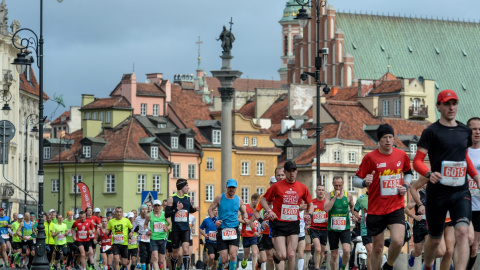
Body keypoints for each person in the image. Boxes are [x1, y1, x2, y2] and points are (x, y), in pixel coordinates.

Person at [413, 89, 480, 270]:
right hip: (438, 193)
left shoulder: (465, 131)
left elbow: (464, 157)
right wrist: (428, 174)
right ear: (439, 106)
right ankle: (427, 265)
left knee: (463, 232)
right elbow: (417, 161)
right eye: (447, 104)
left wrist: (476, 177)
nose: (451, 107)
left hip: (460, 191)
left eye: (454, 103)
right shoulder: (431, 132)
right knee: (435, 240)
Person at [354, 123, 412, 270]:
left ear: (394, 139)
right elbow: (355, 180)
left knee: (398, 241)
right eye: (385, 137)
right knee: (378, 248)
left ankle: (389, 265)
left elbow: (409, 173)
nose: (388, 140)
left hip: (396, 205)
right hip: (375, 209)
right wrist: (363, 182)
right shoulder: (370, 158)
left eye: (391, 137)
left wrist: (405, 186)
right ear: (379, 140)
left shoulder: (401, 155)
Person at [261, 161, 312, 270]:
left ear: (297, 172)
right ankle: (276, 255)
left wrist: (309, 215)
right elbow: (263, 200)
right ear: (285, 172)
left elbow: (310, 204)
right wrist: (269, 211)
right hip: (278, 223)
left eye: (293, 171)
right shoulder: (277, 186)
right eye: (289, 171)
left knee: (291, 254)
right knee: (282, 256)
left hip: (294, 223)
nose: (291, 173)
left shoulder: (302, 187)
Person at [208, 179, 248, 270]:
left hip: (234, 229)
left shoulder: (239, 200)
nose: (231, 189)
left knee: (233, 255)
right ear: (226, 187)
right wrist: (215, 220)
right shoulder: (219, 198)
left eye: (233, 187)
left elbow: (244, 212)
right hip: (222, 229)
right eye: (230, 187)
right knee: (224, 259)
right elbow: (210, 209)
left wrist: (245, 218)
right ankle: (219, 264)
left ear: (236, 188)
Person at [253, 168, 284, 270]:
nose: (275, 185)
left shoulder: (284, 194)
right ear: (270, 184)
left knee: (280, 256)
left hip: (280, 229)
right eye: (273, 183)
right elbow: (256, 212)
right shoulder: (264, 196)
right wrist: (262, 221)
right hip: (266, 231)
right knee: (270, 257)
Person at [165, 179, 198, 270]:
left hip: (186, 228)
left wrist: (194, 209)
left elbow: (189, 209)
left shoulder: (188, 198)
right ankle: (173, 268)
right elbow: (166, 214)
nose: (188, 187)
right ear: (181, 187)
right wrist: (176, 209)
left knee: (186, 250)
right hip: (175, 229)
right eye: (186, 186)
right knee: (175, 253)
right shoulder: (172, 199)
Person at [324, 176, 354, 270]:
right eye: (336, 185)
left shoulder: (348, 195)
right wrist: (334, 198)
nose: (338, 187)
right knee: (334, 254)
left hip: (345, 228)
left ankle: (343, 268)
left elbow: (352, 207)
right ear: (333, 184)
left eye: (340, 185)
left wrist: (355, 215)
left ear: (343, 184)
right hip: (332, 228)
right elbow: (326, 208)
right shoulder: (329, 195)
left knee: (346, 250)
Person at [467, 117, 480, 270]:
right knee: (466, 239)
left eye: (479, 129)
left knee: (474, 245)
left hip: (479, 205)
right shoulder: (462, 150)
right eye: (474, 129)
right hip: (462, 202)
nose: (477, 132)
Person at [407, 182, 427, 268]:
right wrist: (414, 217)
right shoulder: (418, 195)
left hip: (430, 225)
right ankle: (413, 254)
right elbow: (406, 209)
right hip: (419, 225)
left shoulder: (435, 195)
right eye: (425, 182)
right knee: (418, 252)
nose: (427, 184)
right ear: (421, 184)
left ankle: (427, 267)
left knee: (429, 248)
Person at [145, 200, 169, 270]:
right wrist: (147, 231)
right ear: (153, 206)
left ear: (161, 206)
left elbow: (170, 224)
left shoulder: (164, 214)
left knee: (161, 260)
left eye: (158, 205)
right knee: (155, 257)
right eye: (155, 205)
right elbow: (145, 224)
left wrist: (167, 228)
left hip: (163, 239)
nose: (157, 207)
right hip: (153, 239)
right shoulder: (149, 215)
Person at [309, 185, 328, 270]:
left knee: (322, 252)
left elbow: (331, 214)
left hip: (325, 229)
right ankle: (316, 268)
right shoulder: (312, 202)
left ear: (324, 192)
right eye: (319, 190)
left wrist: (329, 219)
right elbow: (307, 212)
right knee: (317, 248)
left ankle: (319, 267)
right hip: (314, 228)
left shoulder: (327, 203)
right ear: (316, 191)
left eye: (322, 190)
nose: (321, 192)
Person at [352, 189, 372, 270]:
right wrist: (358, 216)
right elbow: (355, 211)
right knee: (370, 251)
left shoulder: (379, 197)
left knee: (377, 252)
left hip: (378, 229)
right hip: (365, 229)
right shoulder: (361, 198)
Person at [240, 193, 260, 269]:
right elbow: (236, 218)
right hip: (245, 235)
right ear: (253, 200)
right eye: (257, 201)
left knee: (255, 253)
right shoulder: (245, 207)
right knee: (247, 254)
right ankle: (244, 259)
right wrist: (245, 221)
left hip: (254, 234)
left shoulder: (258, 210)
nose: (258, 204)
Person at [133, 205, 150, 270]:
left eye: (145, 209)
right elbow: (134, 228)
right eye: (143, 209)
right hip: (142, 238)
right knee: (143, 255)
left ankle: (148, 268)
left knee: (149, 255)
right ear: (140, 210)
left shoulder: (150, 217)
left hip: (149, 238)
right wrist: (135, 230)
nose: (144, 210)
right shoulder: (137, 218)